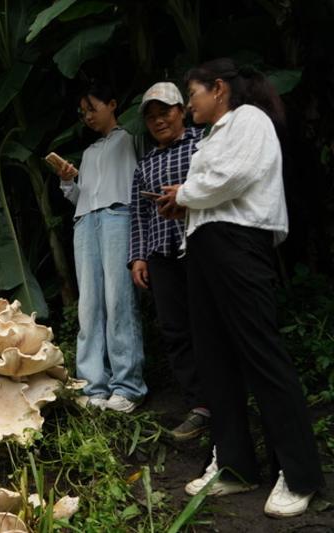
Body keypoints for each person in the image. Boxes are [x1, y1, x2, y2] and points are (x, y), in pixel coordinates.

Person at [157, 58, 324, 517]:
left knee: (260, 354)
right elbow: (214, 188)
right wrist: (185, 206)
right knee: (215, 360)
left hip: (239, 243)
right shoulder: (214, 134)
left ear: (219, 89)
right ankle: (234, 466)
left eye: (192, 94)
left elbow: (237, 177)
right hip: (206, 246)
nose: (189, 104)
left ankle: (300, 474)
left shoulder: (250, 119)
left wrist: (184, 195)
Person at [53, 82, 147, 413]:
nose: (88, 116)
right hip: (85, 224)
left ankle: (128, 386)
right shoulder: (90, 152)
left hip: (119, 217)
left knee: (119, 299)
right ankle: (92, 386)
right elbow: (82, 197)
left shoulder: (133, 138)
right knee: (90, 305)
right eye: (83, 113)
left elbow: (140, 183)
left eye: (93, 108)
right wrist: (68, 180)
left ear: (112, 104)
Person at [128, 82, 209, 439]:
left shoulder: (203, 145)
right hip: (161, 253)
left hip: (203, 247)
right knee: (175, 330)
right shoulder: (145, 164)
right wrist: (137, 258)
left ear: (181, 111)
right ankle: (199, 405)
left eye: (165, 112)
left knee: (209, 322)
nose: (159, 121)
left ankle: (227, 395)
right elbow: (139, 215)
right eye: (151, 117)